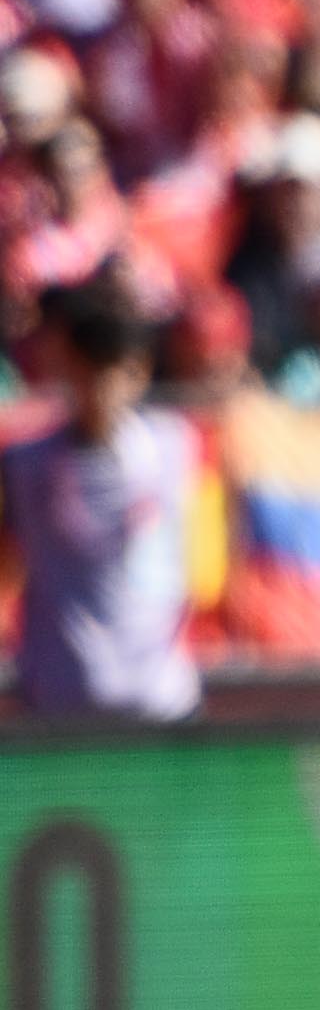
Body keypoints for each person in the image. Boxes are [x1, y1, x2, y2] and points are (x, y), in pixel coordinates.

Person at [1, 279, 216, 720]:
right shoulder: (24, 465)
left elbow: (208, 559)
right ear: (66, 366)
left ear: (138, 373)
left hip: (163, 704)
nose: (99, 387)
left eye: (113, 369)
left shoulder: (178, 446)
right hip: (61, 707)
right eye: (87, 367)